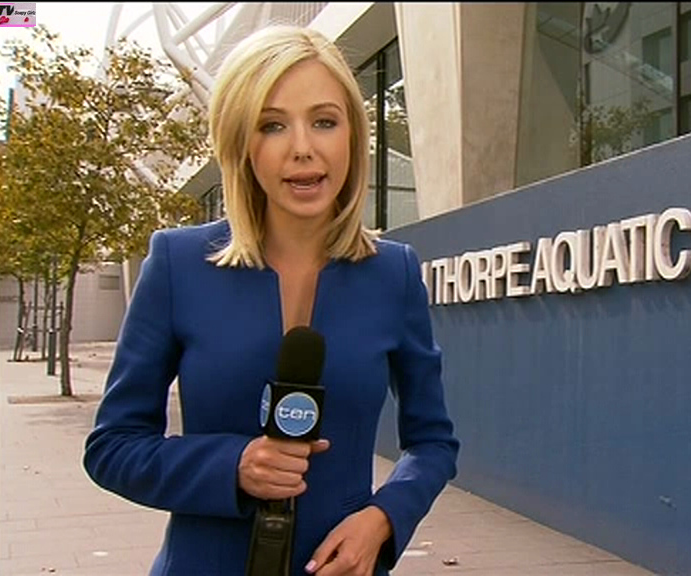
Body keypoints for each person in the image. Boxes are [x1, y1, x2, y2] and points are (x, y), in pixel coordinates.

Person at [83, 25, 460, 576]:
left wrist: (384, 518)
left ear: (352, 136)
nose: (303, 147)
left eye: (324, 121)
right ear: (241, 142)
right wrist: (232, 465)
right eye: (272, 125)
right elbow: (112, 447)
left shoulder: (394, 273)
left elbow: (433, 442)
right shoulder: (177, 264)